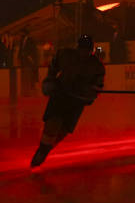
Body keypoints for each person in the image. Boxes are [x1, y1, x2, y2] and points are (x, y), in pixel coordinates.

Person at [30, 35, 105, 168]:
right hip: (60, 95)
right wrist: (50, 80)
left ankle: (44, 151)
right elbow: (53, 68)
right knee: (52, 126)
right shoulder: (66, 55)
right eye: (82, 49)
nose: (84, 53)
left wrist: (92, 92)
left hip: (77, 102)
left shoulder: (96, 66)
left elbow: (97, 87)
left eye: (86, 50)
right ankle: (42, 152)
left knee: (62, 131)